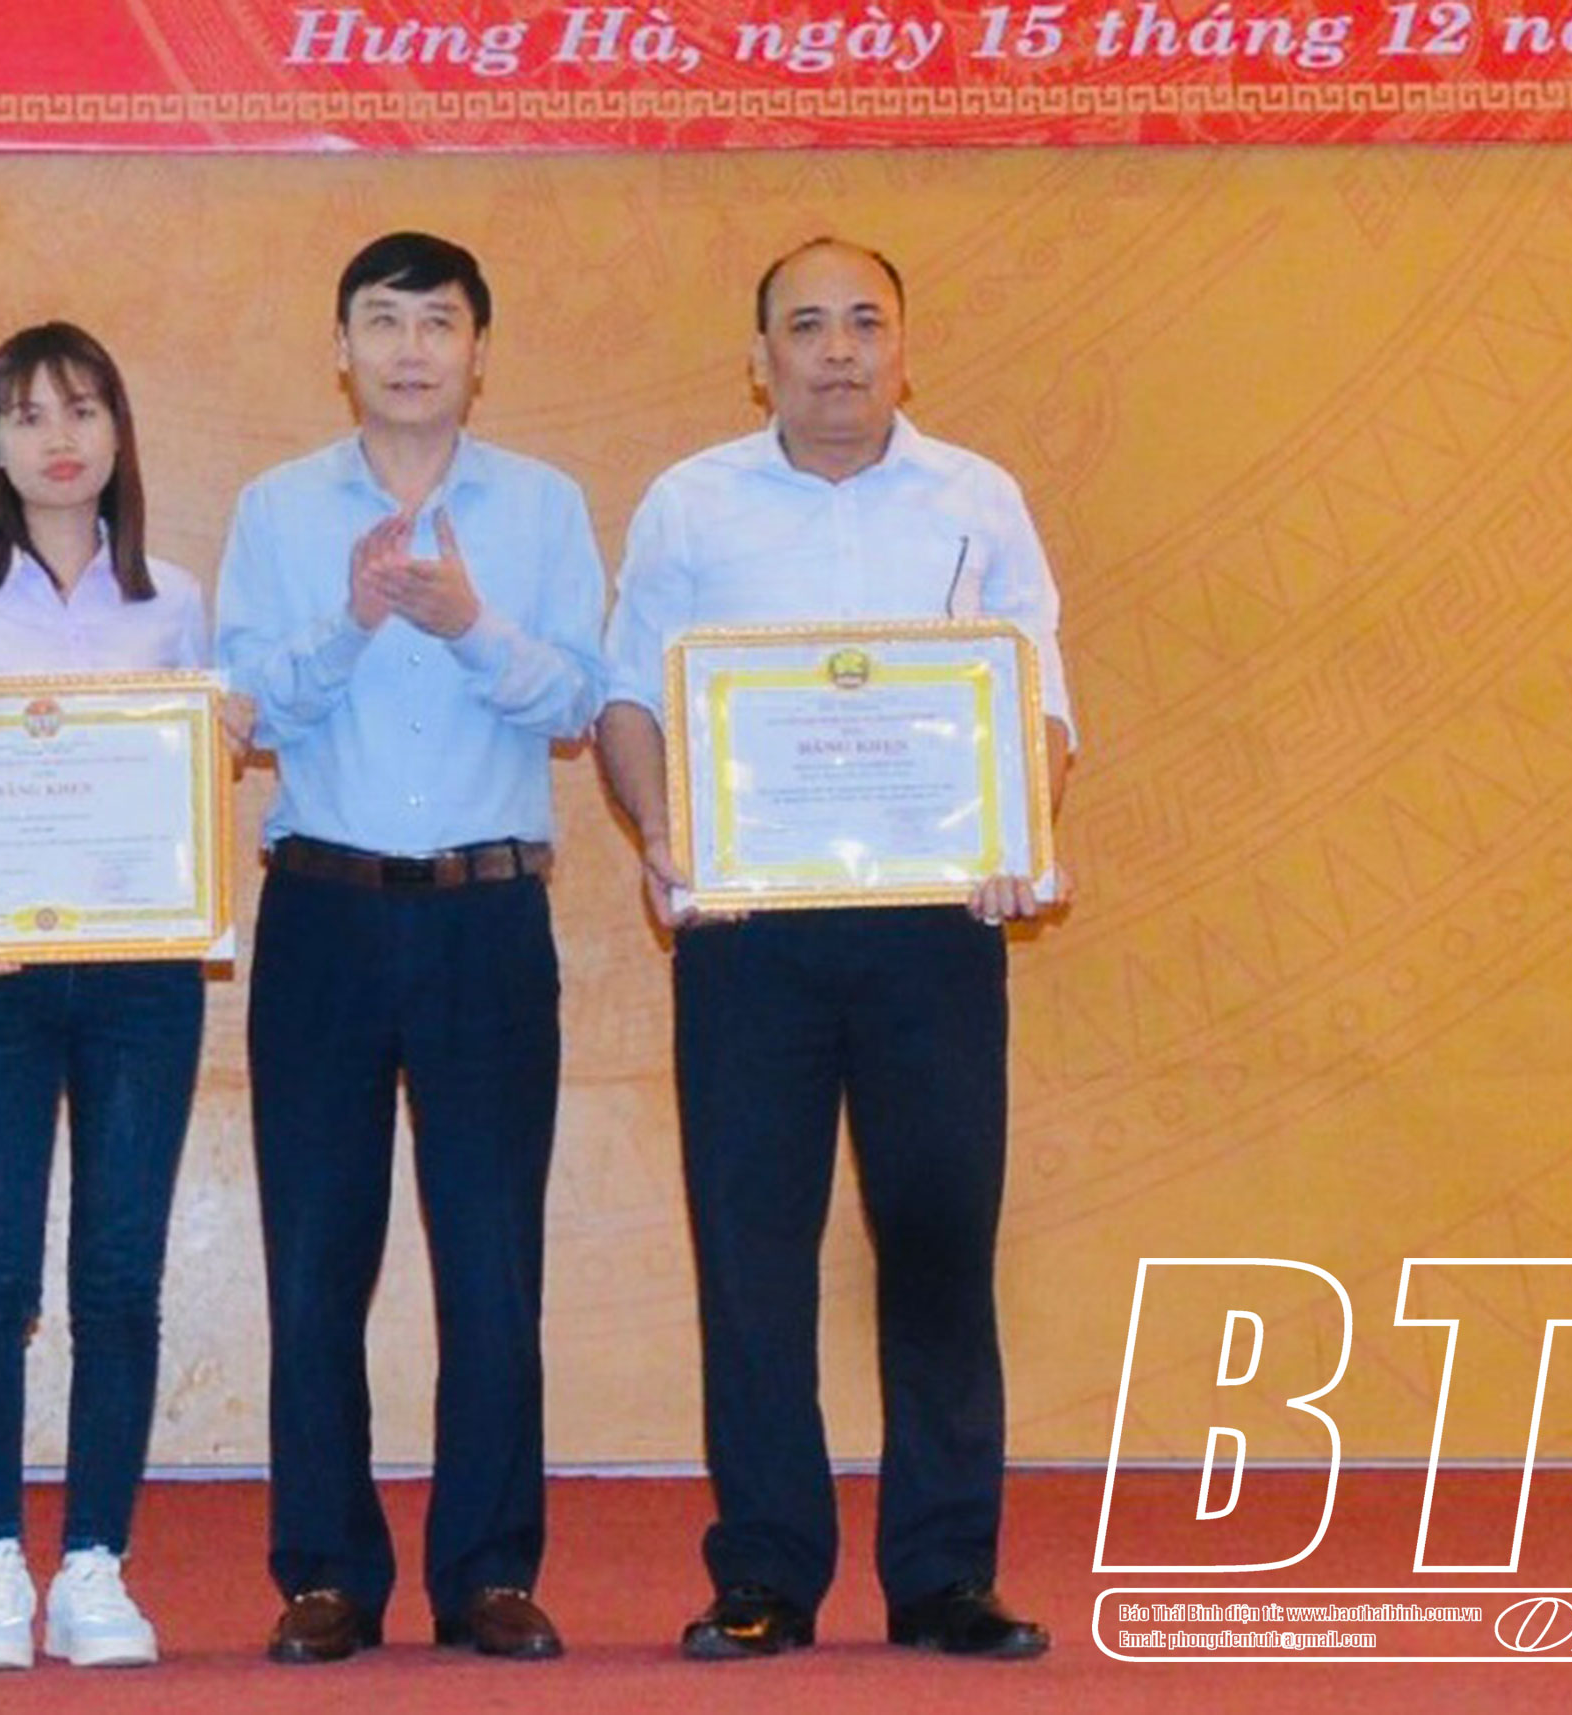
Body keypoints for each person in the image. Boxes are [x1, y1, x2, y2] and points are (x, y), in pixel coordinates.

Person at [597, 238, 1076, 1661]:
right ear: (760, 362)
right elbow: (629, 701)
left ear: (906, 349)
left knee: (939, 1247)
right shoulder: (692, 504)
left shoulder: (978, 499)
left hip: (936, 931)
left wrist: (1021, 825)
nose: (839, 350)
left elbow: (1040, 701)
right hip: (752, 935)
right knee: (753, 1258)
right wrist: (664, 837)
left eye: (866, 321)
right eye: (806, 326)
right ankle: (765, 1574)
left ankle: (945, 1576)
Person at [215, 231, 606, 1664]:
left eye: (439, 323)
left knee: (492, 1257)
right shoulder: (275, 508)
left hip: (488, 914)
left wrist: (469, 625)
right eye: (382, 322)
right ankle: (326, 1572)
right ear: (342, 349)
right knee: (317, 1254)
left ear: (479, 351)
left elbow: (580, 701)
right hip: (323, 911)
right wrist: (355, 619)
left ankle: (489, 1570)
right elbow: (244, 707)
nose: (411, 350)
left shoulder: (544, 505)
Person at [0, 321, 233, 1671]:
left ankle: (93, 1565)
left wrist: (218, 745)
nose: (59, 438)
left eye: (82, 408)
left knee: (121, 1276)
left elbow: (188, 788)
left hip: (143, 982)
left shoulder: (173, 603)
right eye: (26, 416)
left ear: (120, 431)